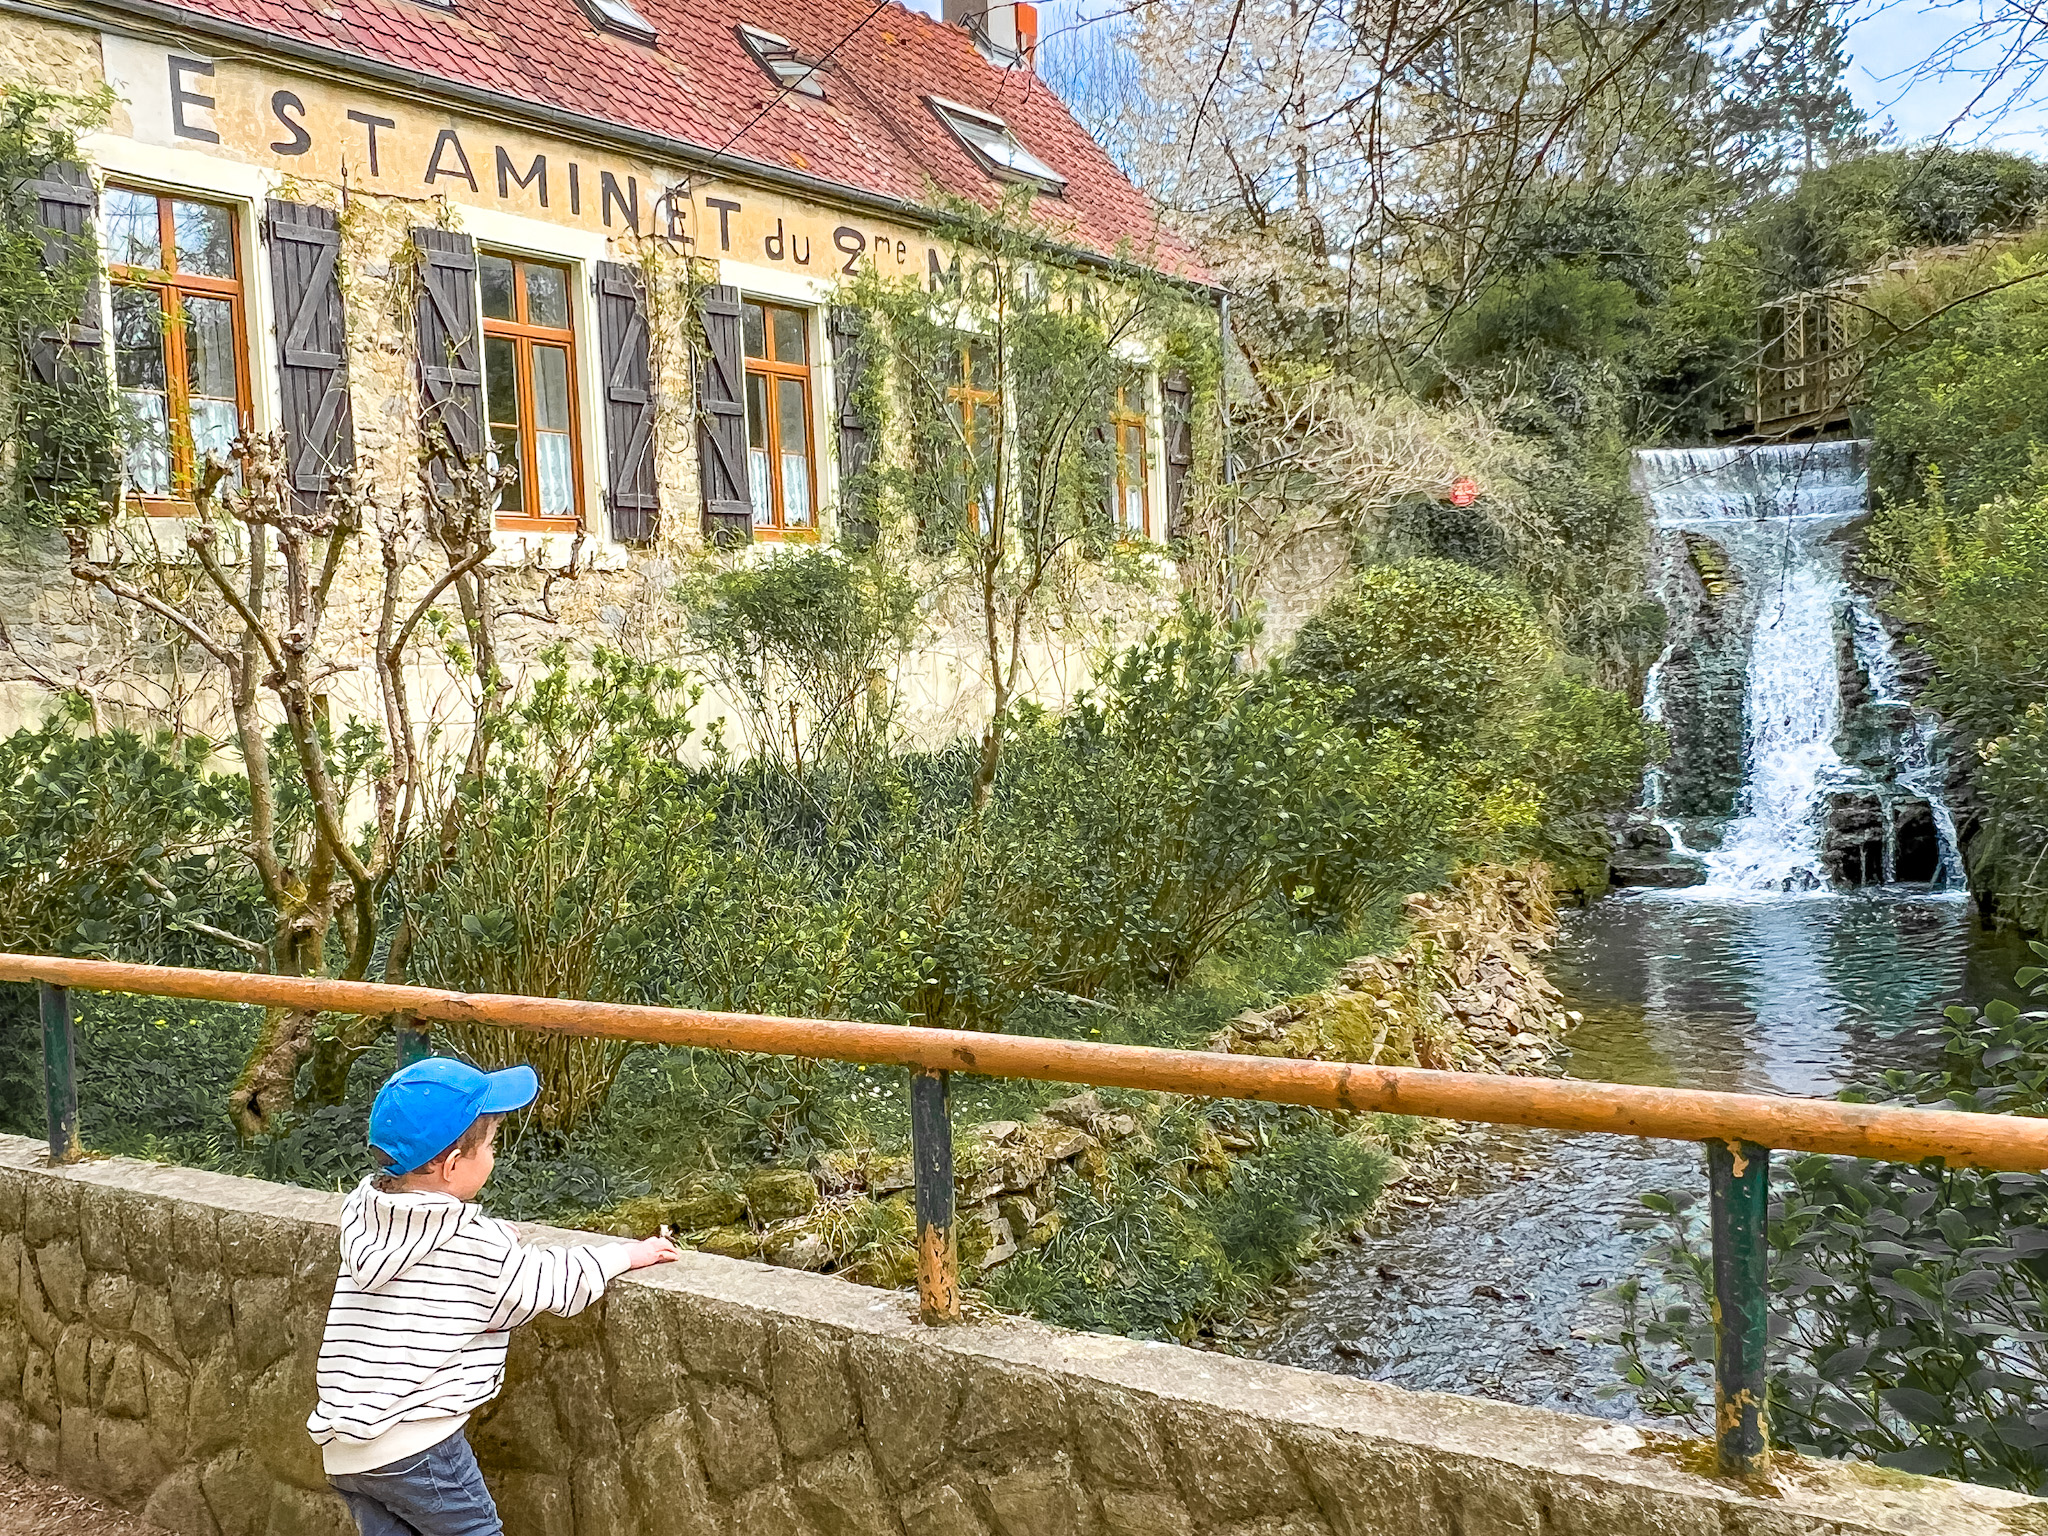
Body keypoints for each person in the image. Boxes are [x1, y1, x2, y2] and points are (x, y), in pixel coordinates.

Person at [306, 1057, 679, 1536]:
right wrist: (623, 1255)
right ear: (454, 1165)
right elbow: (545, 1284)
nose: (496, 1155)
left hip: (346, 1449)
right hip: (419, 1443)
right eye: (492, 1144)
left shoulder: (364, 1217)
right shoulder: (471, 1243)